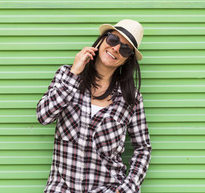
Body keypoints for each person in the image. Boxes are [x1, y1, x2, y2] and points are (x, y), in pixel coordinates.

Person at [36, 19, 152, 193]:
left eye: (125, 49)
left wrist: (128, 188)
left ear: (127, 60)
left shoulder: (131, 99)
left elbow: (143, 148)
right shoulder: (66, 76)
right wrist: (74, 73)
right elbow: (44, 116)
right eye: (113, 40)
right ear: (102, 40)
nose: (116, 48)